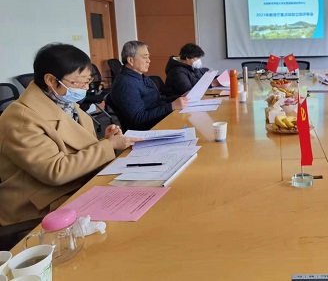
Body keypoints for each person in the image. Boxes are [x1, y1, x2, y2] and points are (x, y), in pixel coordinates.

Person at [0, 43, 141, 225]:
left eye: (87, 80)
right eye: (79, 82)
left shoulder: (65, 104)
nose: (85, 87)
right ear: (51, 80)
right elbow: (55, 171)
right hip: (40, 205)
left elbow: (75, 147)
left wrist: (105, 141)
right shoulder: (20, 119)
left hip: (76, 185)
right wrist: (108, 146)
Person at [109, 41, 188, 131]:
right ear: (130, 60)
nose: (149, 61)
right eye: (144, 57)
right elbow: (138, 119)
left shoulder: (140, 76)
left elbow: (158, 101)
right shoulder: (125, 84)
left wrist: (180, 98)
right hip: (147, 131)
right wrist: (171, 106)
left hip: (158, 122)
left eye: (148, 57)